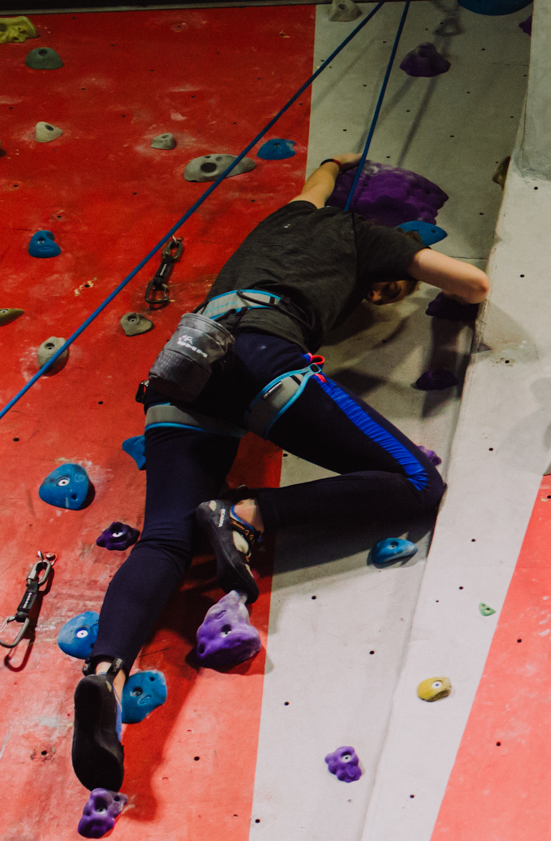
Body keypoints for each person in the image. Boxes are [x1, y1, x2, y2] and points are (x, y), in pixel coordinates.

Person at [71, 153, 491, 791]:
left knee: (164, 538)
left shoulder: (291, 215)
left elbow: (317, 184)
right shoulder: (366, 235)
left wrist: (333, 163)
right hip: (262, 352)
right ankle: (247, 514)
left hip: (184, 359)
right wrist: (407, 260)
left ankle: (107, 671)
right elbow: (473, 284)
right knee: (415, 482)